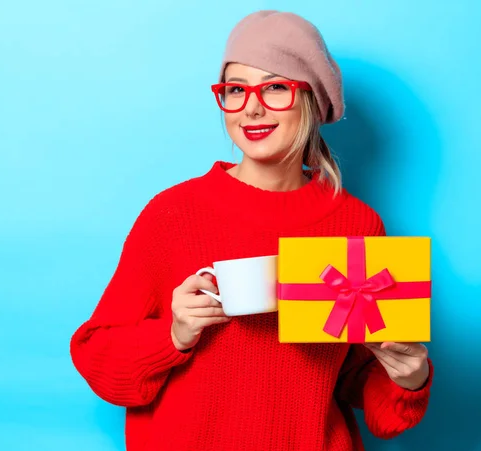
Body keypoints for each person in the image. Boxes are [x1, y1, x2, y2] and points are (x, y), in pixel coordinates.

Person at [70, 10, 433, 451]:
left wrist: (410, 376)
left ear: (312, 101)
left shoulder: (357, 224)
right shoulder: (173, 214)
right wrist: (173, 335)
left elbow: (359, 386)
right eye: (236, 90)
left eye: (275, 87)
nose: (252, 107)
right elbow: (98, 357)